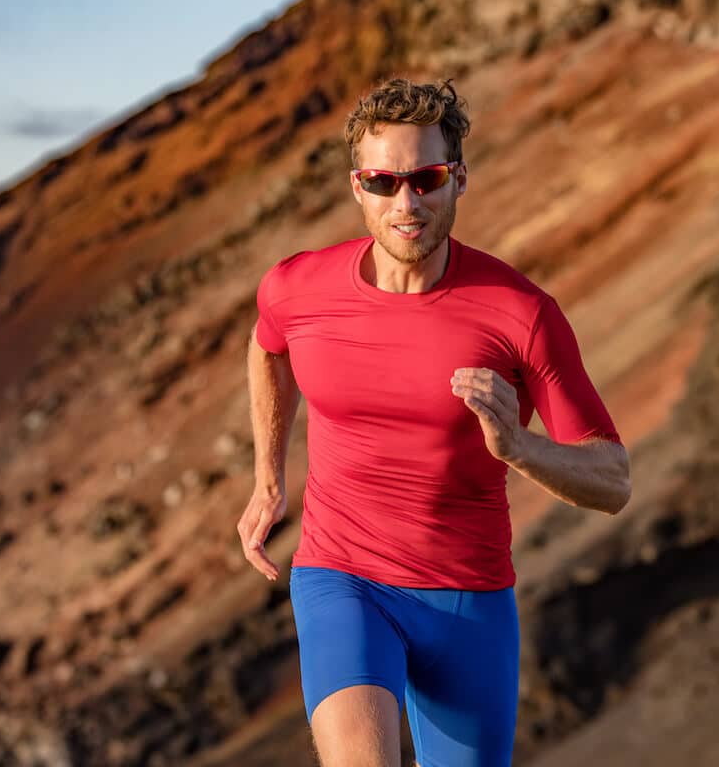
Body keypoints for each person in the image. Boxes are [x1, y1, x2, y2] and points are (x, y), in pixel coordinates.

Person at [237, 77, 631, 767]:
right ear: (357, 186)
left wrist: (517, 447)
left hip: (468, 601)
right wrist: (267, 478)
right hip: (344, 576)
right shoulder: (299, 287)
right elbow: (268, 346)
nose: (406, 203)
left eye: (427, 178)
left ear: (458, 180)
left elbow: (613, 479)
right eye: (385, 182)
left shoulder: (519, 314)